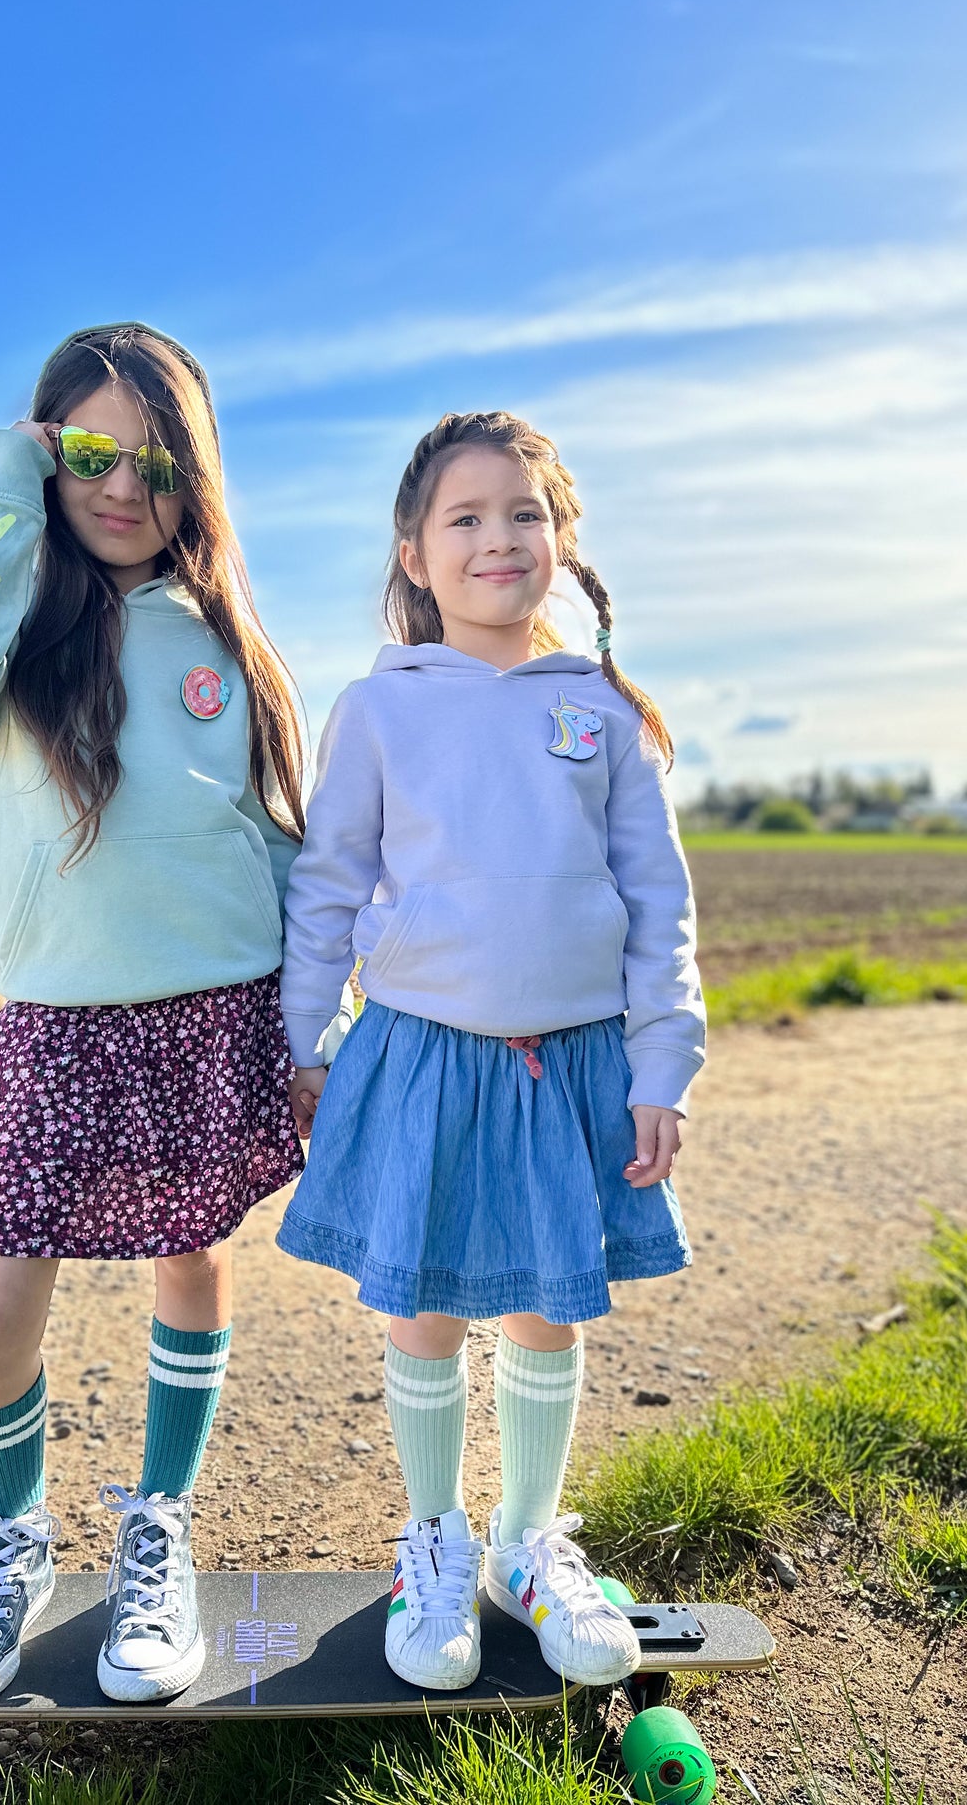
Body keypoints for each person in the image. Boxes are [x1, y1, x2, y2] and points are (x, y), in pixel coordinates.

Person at [0, 323, 308, 1706]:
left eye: (157, 461)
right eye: (86, 453)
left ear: (197, 478)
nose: (123, 485)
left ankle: (158, 1531)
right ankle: (11, 1543)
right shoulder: (4, 634)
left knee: (192, 1260)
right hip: (56, 1022)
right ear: (41, 453)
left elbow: (279, 844)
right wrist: (4, 487)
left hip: (213, 1009)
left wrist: (317, 1029)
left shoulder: (226, 644)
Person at [278, 411, 704, 1692]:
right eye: (462, 518)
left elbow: (657, 901)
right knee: (420, 1308)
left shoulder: (601, 710)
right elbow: (326, 885)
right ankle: (433, 1541)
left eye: (523, 513)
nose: (495, 538)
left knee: (542, 1305)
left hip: (568, 1062)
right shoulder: (376, 708)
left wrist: (660, 1064)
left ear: (560, 538)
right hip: (419, 1053)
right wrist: (306, 1039)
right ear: (414, 554)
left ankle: (524, 1547)